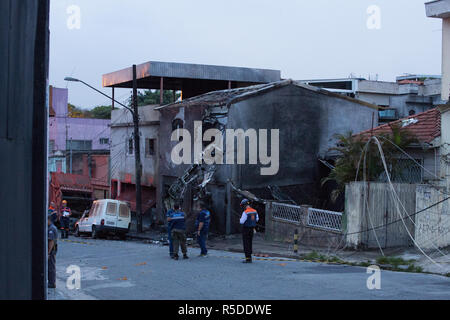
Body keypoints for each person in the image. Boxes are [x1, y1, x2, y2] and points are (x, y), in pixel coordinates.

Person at [239, 199, 259, 263]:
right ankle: (250, 257)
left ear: (244, 205)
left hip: (246, 229)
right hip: (252, 229)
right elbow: (257, 219)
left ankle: (248, 258)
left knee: (246, 243)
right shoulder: (255, 211)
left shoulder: (245, 212)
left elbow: (241, 222)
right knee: (250, 243)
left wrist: (240, 219)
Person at [48, 214, 58, 288]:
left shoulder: (51, 229)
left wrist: (48, 253)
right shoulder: (52, 227)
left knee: (51, 266)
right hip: (53, 250)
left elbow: (51, 241)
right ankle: (51, 282)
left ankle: (52, 283)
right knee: (51, 266)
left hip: (52, 250)